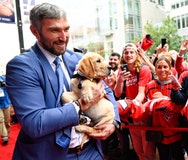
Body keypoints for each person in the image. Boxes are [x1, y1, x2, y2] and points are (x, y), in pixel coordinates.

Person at [6, 3, 120, 160]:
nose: (63, 37)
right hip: (52, 155)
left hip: (90, 151)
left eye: (66, 29)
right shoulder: (22, 67)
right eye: (54, 30)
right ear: (35, 31)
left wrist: (113, 123)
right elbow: (35, 122)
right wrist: (80, 105)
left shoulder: (78, 59)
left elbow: (105, 90)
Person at [114, 43, 155, 160]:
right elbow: (117, 94)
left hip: (142, 114)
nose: (128, 55)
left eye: (131, 52)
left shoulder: (144, 69)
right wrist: (120, 80)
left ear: (137, 54)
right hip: (131, 116)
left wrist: (131, 107)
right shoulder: (121, 71)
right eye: (126, 52)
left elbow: (141, 94)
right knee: (138, 151)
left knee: (148, 151)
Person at [144, 57, 184, 160]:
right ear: (155, 70)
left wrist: (163, 100)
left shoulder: (176, 84)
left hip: (175, 130)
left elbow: (181, 107)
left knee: (178, 156)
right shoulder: (149, 86)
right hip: (158, 132)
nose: (162, 70)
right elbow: (147, 108)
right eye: (159, 67)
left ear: (170, 69)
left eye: (165, 67)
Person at [0, 75, 11, 146]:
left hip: (6, 103)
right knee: (1, 120)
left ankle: (7, 132)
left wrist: (4, 84)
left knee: (7, 120)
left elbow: (11, 86)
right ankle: (4, 137)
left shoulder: (4, 78)